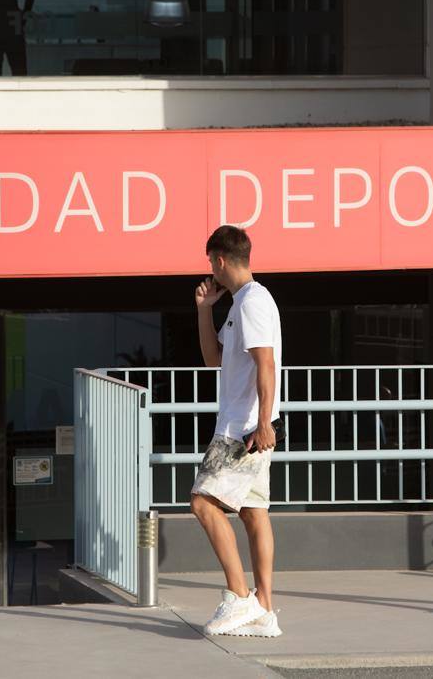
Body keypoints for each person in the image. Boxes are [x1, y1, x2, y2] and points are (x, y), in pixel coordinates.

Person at [190, 225, 283, 638]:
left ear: (221, 260)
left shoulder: (253, 302)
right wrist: (204, 308)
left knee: (202, 504)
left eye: (211, 261)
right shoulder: (241, 303)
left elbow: (266, 364)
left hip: (242, 430)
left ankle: (240, 596)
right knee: (252, 513)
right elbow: (214, 361)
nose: (210, 268)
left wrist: (262, 423)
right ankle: (263, 610)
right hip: (250, 425)